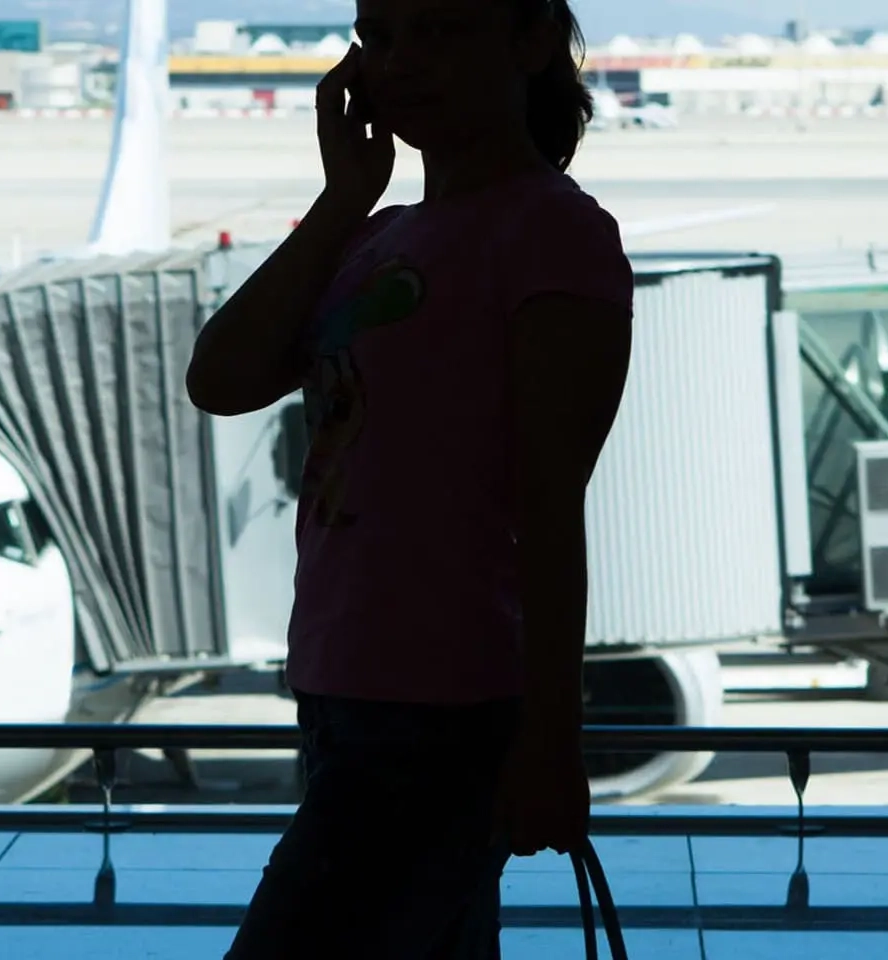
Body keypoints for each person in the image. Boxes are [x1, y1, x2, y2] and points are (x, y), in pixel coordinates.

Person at [186, 0, 633, 954]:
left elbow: (550, 509)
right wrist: (344, 199)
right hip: (347, 681)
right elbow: (219, 379)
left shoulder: (554, 235)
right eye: (380, 35)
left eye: (439, 29)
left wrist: (554, 737)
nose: (399, 62)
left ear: (528, 41)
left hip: (448, 701)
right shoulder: (378, 236)